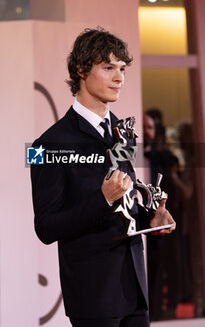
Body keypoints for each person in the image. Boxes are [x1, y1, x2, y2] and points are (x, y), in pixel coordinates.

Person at [30, 28, 175, 327]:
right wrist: (102, 199)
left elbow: (124, 202)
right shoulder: (47, 144)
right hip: (93, 296)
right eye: (108, 68)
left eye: (121, 68)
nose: (119, 77)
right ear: (82, 71)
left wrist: (151, 217)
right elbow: (45, 227)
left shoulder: (123, 134)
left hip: (135, 291)